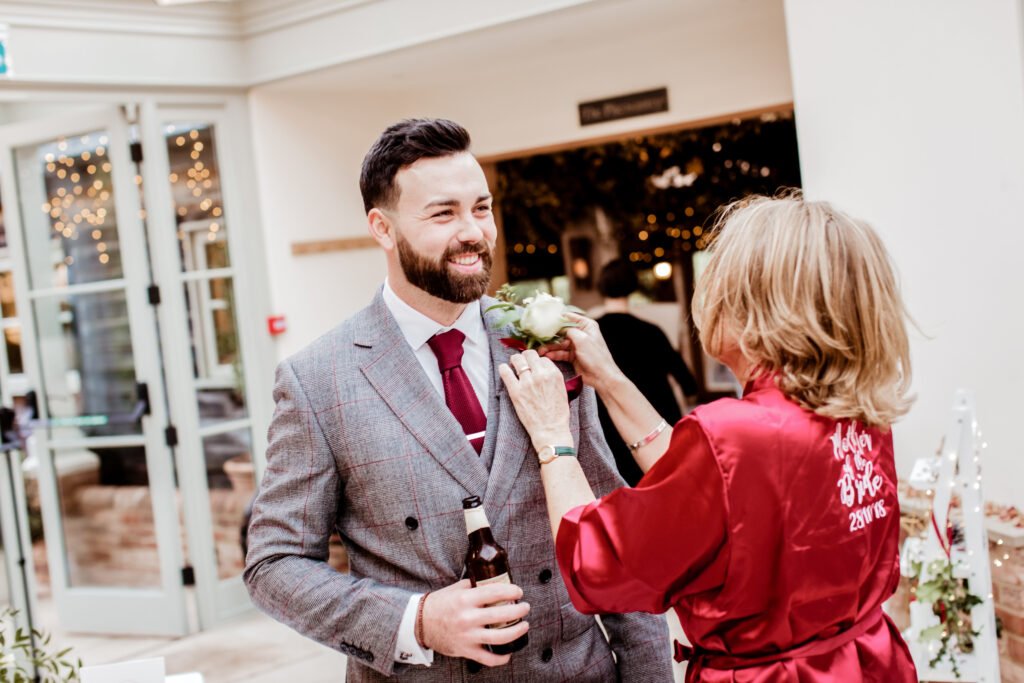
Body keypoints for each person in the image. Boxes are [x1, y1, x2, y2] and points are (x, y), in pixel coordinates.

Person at [243, 118, 673, 682]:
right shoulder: (318, 380)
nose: (472, 231)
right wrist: (415, 620)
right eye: (443, 214)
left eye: (481, 208)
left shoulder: (547, 342)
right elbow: (275, 564)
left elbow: (612, 534)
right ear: (383, 228)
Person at [498, 194, 918, 682]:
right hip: (868, 661)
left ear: (754, 305)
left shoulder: (733, 435)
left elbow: (597, 562)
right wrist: (610, 380)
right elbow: (720, 502)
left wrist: (553, 437)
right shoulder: (861, 413)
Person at [593, 258, 698, 485]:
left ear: (601, 286)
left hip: (607, 432)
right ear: (633, 286)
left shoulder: (589, 335)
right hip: (653, 428)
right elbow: (688, 383)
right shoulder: (652, 332)